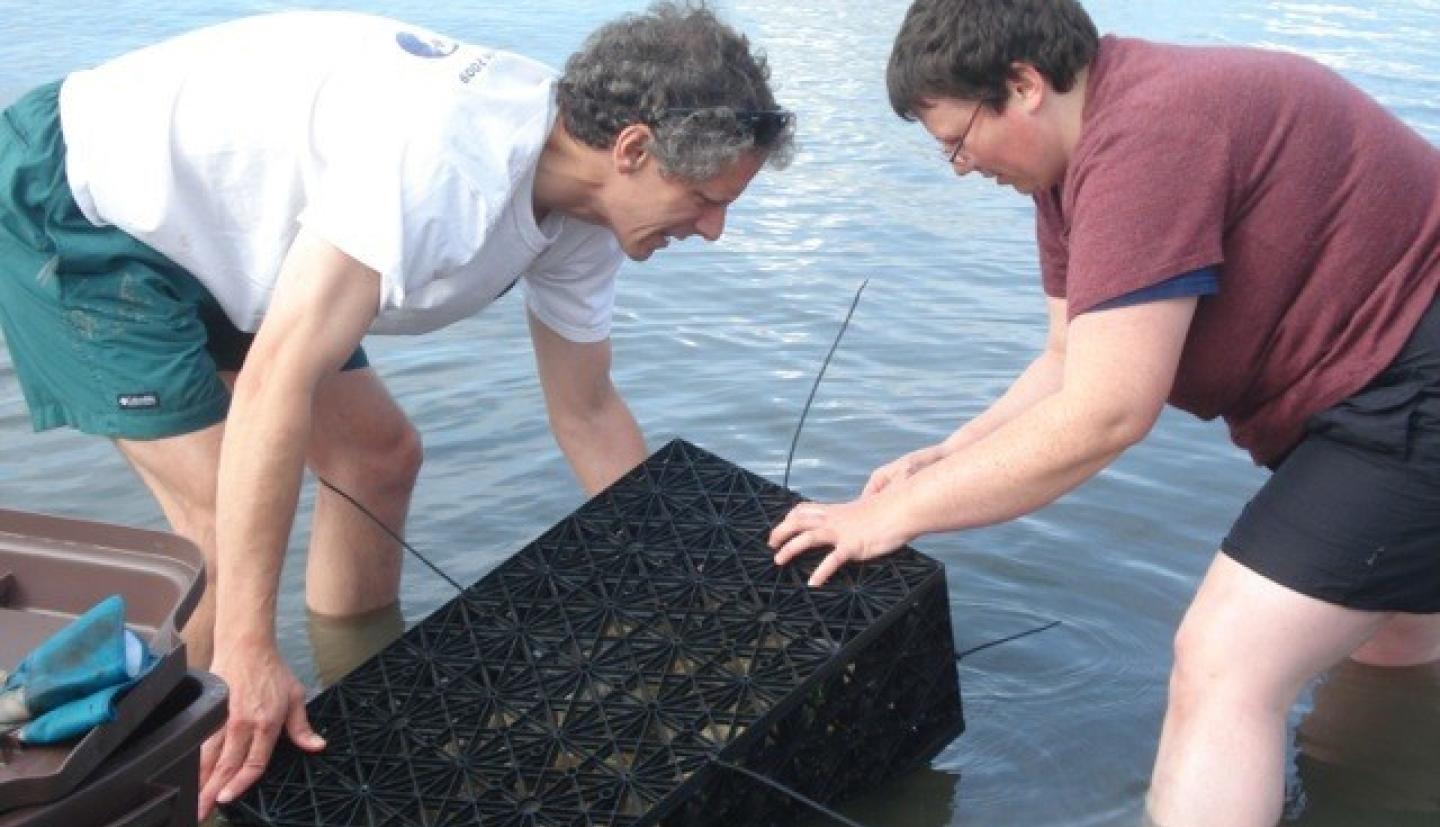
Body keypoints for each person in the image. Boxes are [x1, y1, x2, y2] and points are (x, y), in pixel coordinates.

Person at [0, 1, 793, 817]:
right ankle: (178, 791)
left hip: (243, 231)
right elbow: (279, 379)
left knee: (378, 458)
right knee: (212, 528)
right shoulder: (448, 168)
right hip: (86, 200)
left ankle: (351, 695)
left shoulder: (590, 216)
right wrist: (248, 647)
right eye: (703, 197)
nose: (714, 229)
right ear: (632, 149)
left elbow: (588, 412)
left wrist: (695, 587)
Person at [767, 1, 1440, 825]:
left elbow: (1108, 413)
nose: (960, 167)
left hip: (1409, 386)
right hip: (1368, 387)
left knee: (1223, 664)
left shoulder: (1147, 137)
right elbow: (1067, 360)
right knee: (1386, 639)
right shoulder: (1070, 166)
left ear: (1023, 86)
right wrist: (950, 453)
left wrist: (893, 517)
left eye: (957, 140)